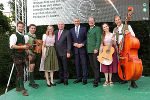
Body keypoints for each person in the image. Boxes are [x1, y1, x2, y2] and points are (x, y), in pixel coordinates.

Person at [113, 15, 138, 88]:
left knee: (131, 64)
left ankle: (133, 81)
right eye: (116, 20)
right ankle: (125, 78)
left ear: (121, 20)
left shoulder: (127, 26)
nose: (118, 21)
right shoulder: (115, 29)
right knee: (123, 64)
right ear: (115, 22)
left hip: (127, 48)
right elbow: (115, 40)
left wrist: (128, 33)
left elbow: (134, 36)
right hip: (120, 49)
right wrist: (114, 41)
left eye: (118, 19)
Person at [9, 21, 29, 96]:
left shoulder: (24, 36)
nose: (21, 28)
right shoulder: (13, 36)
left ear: (23, 27)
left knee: (20, 72)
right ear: (17, 27)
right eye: (19, 26)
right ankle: (23, 90)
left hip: (23, 56)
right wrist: (22, 47)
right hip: (16, 56)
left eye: (22, 27)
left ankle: (17, 87)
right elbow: (12, 46)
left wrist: (27, 50)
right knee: (21, 73)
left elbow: (25, 46)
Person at [70, 18, 88, 85]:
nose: (76, 22)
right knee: (77, 64)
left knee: (84, 64)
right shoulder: (71, 30)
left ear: (79, 22)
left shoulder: (84, 29)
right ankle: (79, 78)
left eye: (77, 21)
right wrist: (73, 44)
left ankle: (85, 78)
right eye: (75, 21)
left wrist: (82, 44)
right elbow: (70, 40)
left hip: (82, 49)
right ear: (74, 22)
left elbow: (87, 38)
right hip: (75, 50)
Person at [55, 21, 72, 85]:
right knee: (60, 67)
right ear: (57, 25)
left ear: (64, 25)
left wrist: (68, 52)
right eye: (59, 24)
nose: (61, 26)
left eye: (62, 24)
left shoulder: (67, 32)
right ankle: (61, 79)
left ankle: (65, 80)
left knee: (65, 67)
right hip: (57, 52)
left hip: (64, 53)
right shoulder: (55, 32)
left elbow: (69, 43)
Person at [87, 17, 102, 87]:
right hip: (89, 50)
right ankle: (97, 78)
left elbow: (99, 39)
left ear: (94, 22)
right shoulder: (89, 29)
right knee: (92, 65)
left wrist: (97, 48)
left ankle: (96, 81)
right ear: (88, 22)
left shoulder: (97, 29)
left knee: (96, 66)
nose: (91, 22)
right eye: (89, 21)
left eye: (92, 21)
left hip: (95, 50)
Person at [24, 24, 39, 89]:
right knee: (31, 67)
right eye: (32, 28)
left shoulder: (34, 36)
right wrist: (28, 54)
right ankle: (32, 83)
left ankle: (31, 82)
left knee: (32, 67)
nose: (33, 29)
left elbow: (33, 45)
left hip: (33, 53)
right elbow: (24, 45)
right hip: (28, 54)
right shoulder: (26, 36)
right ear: (29, 29)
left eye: (34, 28)